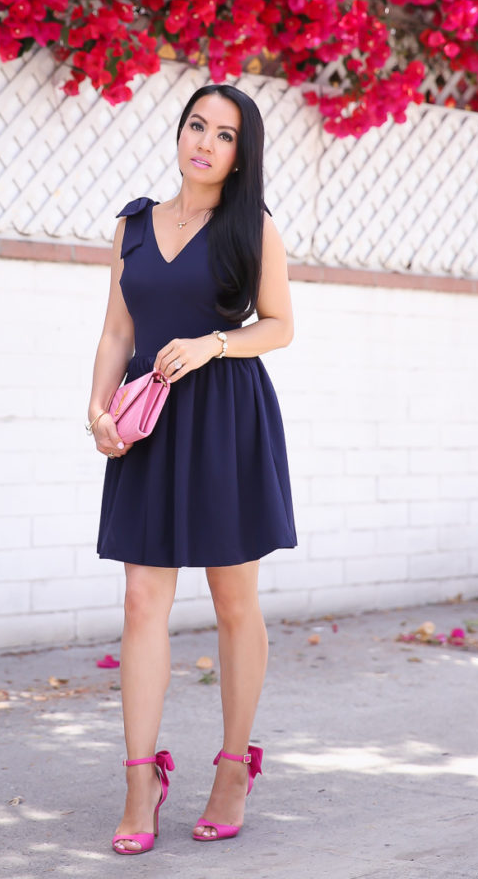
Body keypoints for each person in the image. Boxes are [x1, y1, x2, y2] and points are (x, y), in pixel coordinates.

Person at [86, 83, 297, 855]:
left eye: (225, 135)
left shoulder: (252, 226)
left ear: (243, 154)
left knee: (233, 600)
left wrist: (215, 342)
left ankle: (235, 766)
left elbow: (280, 327)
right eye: (196, 126)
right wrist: (97, 408)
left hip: (224, 422)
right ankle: (142, 780)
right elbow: (117, 330)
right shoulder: (133, 224)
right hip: (147, 423)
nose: (205, 142)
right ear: (179, 134)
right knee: (143, 601)